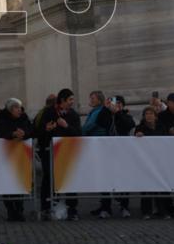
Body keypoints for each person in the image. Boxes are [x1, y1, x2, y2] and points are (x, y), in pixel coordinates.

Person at [35, 88, 82, 221]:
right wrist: (46, 129)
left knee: (69, 179)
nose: (72, 102)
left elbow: (78, 133)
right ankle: (45, 207)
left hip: (67, 153)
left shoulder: (73, 114)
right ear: (62, 101)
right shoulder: (48, 113)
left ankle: (72, 208)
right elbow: (37, 132)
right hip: (48, 151)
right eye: (70, 100)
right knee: (48, 177)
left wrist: (66, 126)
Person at [0, 98, 33, 221]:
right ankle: (10, 210)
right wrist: (12, 134)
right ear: (10, 109)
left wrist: (24, 134)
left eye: (20, 107)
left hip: (21, 156)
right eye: (16, 108)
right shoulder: (1, 116)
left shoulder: (24, 117)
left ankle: (19, 210)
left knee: (19, 182)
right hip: (6, 155)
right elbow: (1, 131)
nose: (19, 110)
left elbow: (31, 130)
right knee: (7, 183)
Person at [82, 91, 117, 219]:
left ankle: (106, 207)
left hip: (100, 146)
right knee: (101, 176)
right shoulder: (96, 111)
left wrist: (78, 131)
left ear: (99, 100)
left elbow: (90, 126)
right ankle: (103, 205)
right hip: (96, 145)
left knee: (104, 176)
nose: (90, 100)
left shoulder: (101, 111)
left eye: (92, 98)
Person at [133, 107, 171, 219]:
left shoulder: (161, 127)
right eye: (147, 114)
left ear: (155, 116)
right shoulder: (140, 128)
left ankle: (163, 210)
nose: (149, 116)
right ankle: (146, 212)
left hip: (160, 160)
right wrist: (137, 135)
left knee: (161, 186)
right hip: (146, 161)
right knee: (146, 186)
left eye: (151, 113)